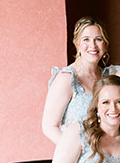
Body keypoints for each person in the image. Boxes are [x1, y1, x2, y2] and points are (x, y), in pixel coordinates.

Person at [42, 16, 110, 144]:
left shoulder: (107, 77)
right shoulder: (67, 78)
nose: (93, 45)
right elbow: (49, 127)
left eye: (98, 39)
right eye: (86, 40)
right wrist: (73, 152)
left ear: (105, 44)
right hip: (77, 158)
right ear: (77, 44)